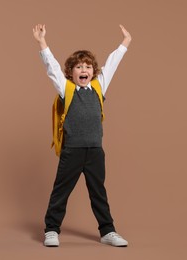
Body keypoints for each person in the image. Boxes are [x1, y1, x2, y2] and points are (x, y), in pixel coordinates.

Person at [32, 23, 132, 247]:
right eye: (78, 67)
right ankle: (51, 230)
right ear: (71, 73)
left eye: (87, 66)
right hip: (72, 151)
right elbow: (52, 67)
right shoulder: (66, 89)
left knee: (99, 193)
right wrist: (42, 42)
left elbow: (112, 64)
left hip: (95, 151)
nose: (83, 70)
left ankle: (107, 231)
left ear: (93, 72)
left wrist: (125, 43)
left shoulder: (99, 87)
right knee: (61, 191)